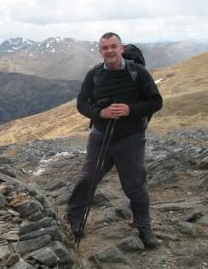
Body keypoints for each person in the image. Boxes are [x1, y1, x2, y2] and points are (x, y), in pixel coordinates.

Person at [67, 32, 163, 249]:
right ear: (100, 51)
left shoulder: (138, 73)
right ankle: (74, 217)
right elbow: (82, 104)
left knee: (135, 186)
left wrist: (130, 109)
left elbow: (156, 102)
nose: (109, 51)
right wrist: (100, 113)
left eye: (113, 46)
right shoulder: (93, 76)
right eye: (105, 48)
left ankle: (144, 227)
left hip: (131, 139)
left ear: (121, 48)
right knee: (88, 179)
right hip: (100, 137)